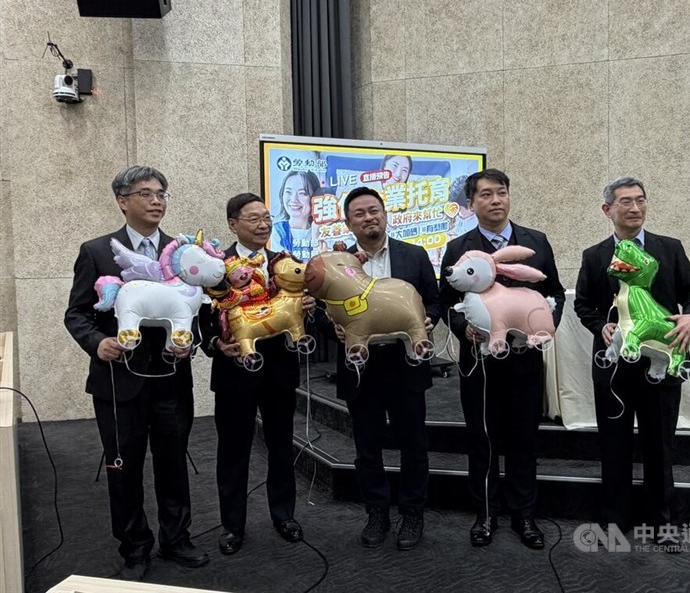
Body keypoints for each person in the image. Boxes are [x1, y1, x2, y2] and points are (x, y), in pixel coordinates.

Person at [64, 166, 209, 581]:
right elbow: (77, 313)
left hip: (171, 378)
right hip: (117, 381)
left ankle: (177, 539)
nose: (157, 200)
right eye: (146, 193)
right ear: (122, 201)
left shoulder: (183, 253)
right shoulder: (96, 251)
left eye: (162, 193)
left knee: (173, 462)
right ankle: (134, 547)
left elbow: (196, 310)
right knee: (123, 467)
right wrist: (97, 342)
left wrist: (191, 342)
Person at [439, 168, 565, 549]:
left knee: (525, 439)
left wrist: (543, 329)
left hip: (525, 362)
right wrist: (464, 328)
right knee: (482, 440)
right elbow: (447, 303)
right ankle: (486, 513)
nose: (496, 200)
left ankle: (524, 514)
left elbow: (555, 293)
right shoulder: (458, 248)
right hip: (479, 364)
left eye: (502, 192)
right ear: (471, 202)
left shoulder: (536, 242)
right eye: (486, 194)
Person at [574, 176, 690, 537]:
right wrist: (600, 326)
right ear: (607, 209)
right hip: (615, 367)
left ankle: (663, 525)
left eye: (640, 200)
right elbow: (583, 304)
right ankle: (614, 523)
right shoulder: (595, 256)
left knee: (659, 447)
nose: (635, 208)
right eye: (626, 202)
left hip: (661, 364)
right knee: (613, 446)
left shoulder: (670, 248)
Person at [321, 186, 439, 551]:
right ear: (348, 223)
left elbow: (434, 301)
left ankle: (412, 514)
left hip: (405, 361)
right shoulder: (334, 264)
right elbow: (320, 312)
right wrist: (333, 328)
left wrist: (428, 319)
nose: (369, 217)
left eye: (374, 210)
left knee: (413, 445)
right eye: (359, 213)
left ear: (385, 215)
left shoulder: (414, 255)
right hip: (361, 366)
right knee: (367, 447)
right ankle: (376, 513)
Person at [199, 193, 316, 555]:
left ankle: (284, 515)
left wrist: (308, 307)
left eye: (267, 217)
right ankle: (232, 526)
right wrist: (216, 343)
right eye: (254, 219)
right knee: (233, 451)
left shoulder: (286, 263)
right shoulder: (214, 266)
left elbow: (299, 312)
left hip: (279, 371)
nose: (263, 224)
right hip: (234, 371)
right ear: (233, 224)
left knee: (281, 446)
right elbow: (200, 319)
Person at [270, 171, 322, 261]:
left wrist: (316, 235)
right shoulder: (277, 230)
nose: (294, 199)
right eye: (288, 192)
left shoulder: (323, 231)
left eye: (302, 193)